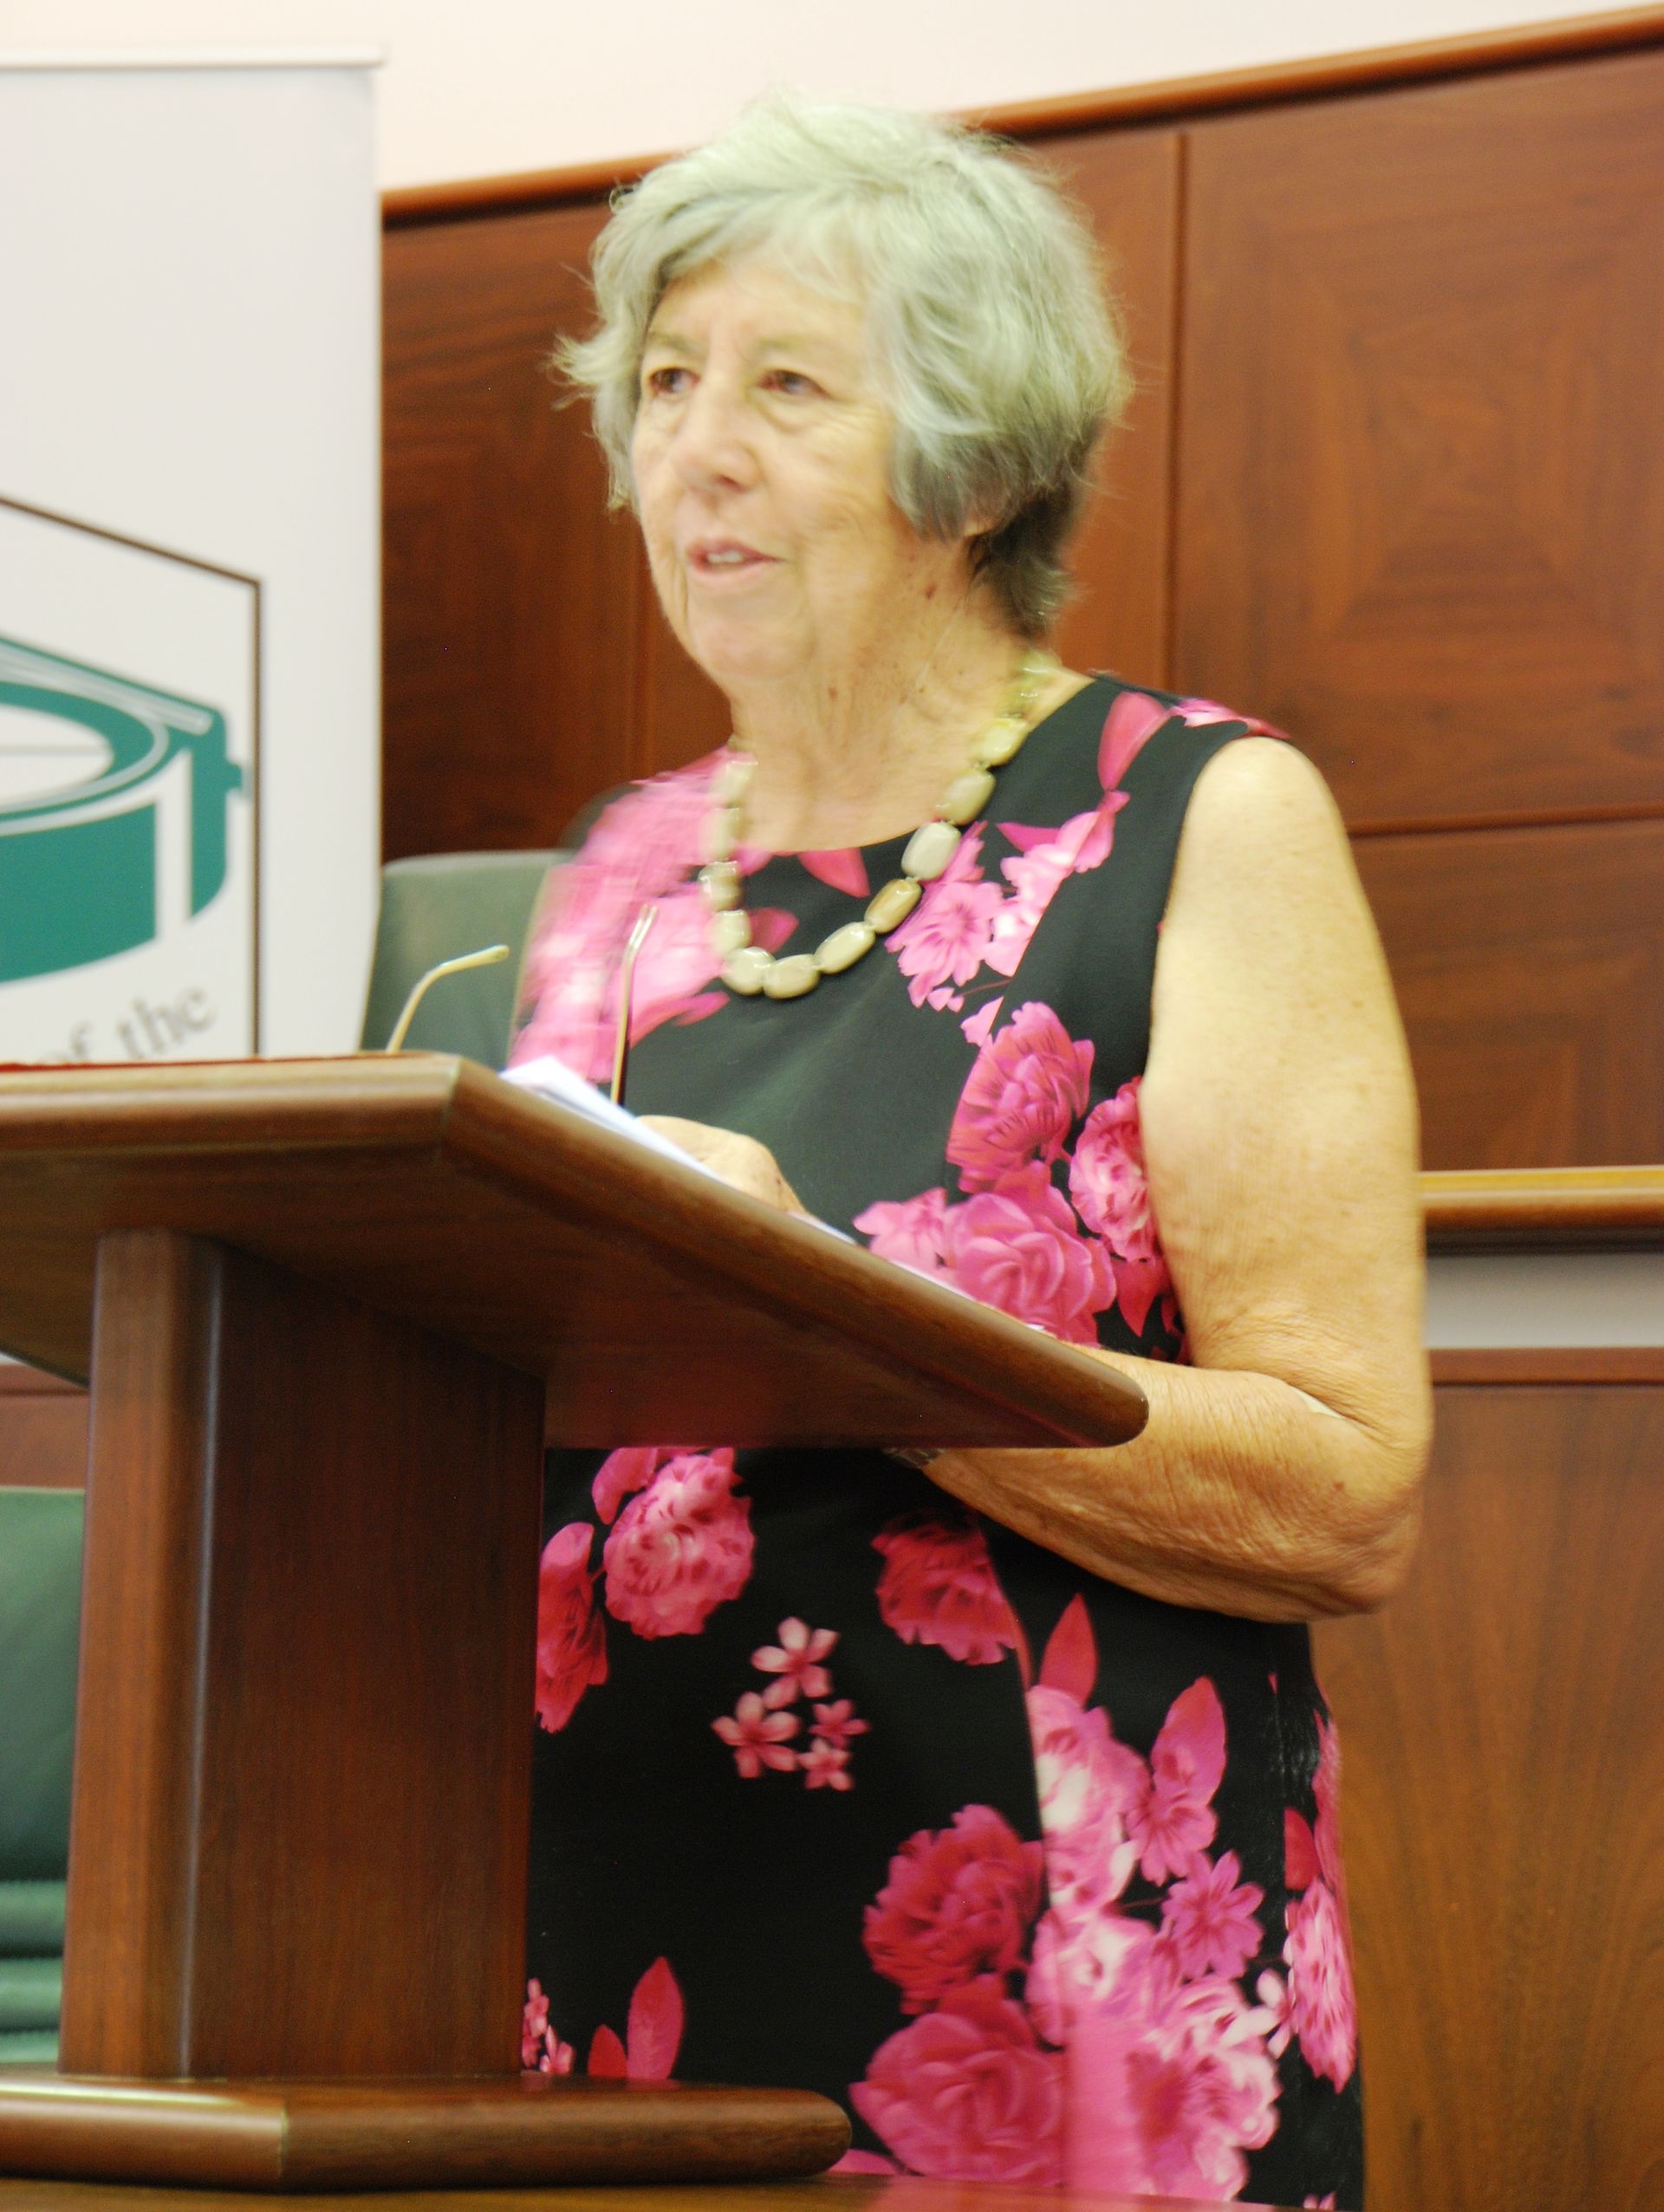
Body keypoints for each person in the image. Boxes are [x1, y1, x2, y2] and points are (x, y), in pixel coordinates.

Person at [511, 95, 1428, 2209]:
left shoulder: (1197, 815)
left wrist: (822, 1304)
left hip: (1057, 1990)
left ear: (976, 466)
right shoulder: (616, 879)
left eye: (787, 387)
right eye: (662, 383)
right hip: (610, 1964)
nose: (692, 449)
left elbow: (1347, 1486)